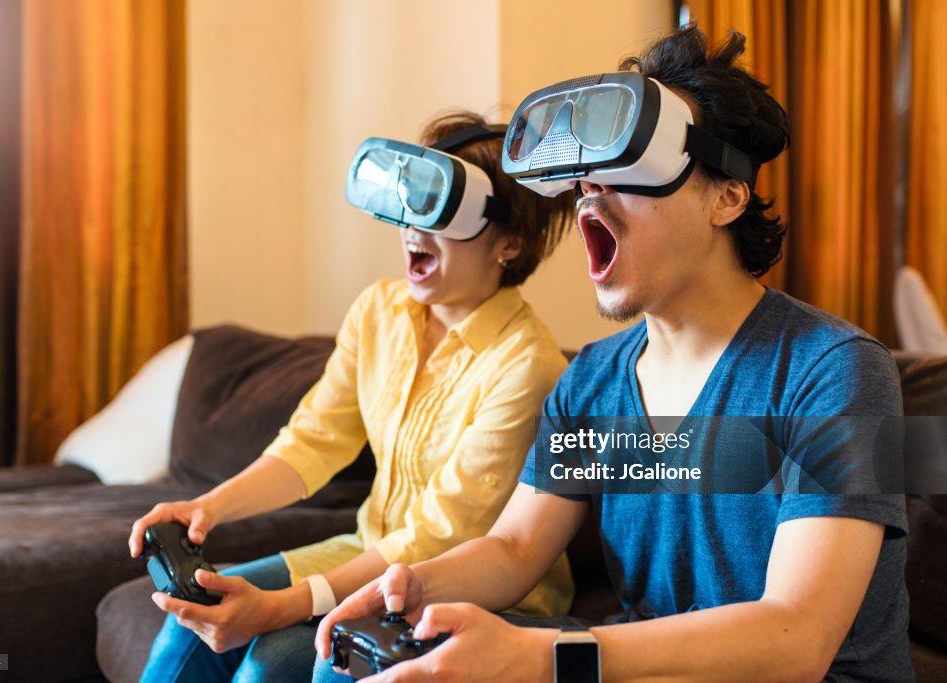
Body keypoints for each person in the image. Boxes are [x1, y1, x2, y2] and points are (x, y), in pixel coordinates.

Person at [316, 26, 913, 682]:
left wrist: (544, 655)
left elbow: (795, 635)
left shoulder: (835, 371)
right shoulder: (592, 383)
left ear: (728, 197)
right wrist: (413, 585)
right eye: (586, 180)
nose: (590, 195)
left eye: (631, 171)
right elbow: (516, 547)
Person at [127, 110, 575, 682]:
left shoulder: (526, 364)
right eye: (412, 199)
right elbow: (314, 441)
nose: (414, 227)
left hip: (468, 586)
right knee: (192, 622)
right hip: (367, 549)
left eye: (442, 211)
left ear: (510, 243)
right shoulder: (379, 311)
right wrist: (207, 508)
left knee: (268, 665)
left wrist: (283, 606)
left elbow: (439, 536)